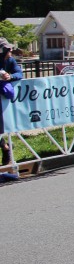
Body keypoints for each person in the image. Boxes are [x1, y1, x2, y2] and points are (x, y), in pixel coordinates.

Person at [0, 37, 23, 168]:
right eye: (8, 49)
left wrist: (10, 77)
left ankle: (5, 147)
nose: (11, 51)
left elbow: (19, 73)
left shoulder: (10, 60)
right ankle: (5, 147)